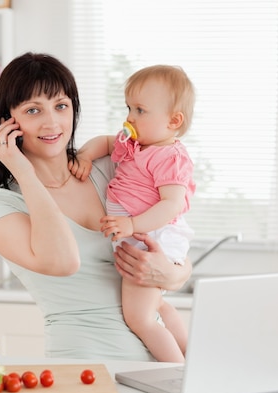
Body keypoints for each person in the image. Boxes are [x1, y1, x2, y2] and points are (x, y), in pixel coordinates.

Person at [0, 52, 191, 361]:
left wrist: (171, 275)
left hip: (157, 368)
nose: (52, 122)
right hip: (85, 367)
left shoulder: (111, 169)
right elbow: (63, 262)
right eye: (33, 110)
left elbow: (174, 243)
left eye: (61, 106)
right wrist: (23, 172)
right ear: (7, 123)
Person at [68, 65, 196, 362]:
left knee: (141, 320)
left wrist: (132, 223)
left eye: (140, 110)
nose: (130, 117)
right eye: (129, 107)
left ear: (173, 120)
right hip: (139, 235)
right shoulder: (136, 145)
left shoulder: (170, 156)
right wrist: (85, 155)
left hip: (151, 237)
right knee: (159, 307)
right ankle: (190, 356)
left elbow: (171, 205)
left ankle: (178, 375)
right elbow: (106, 141)